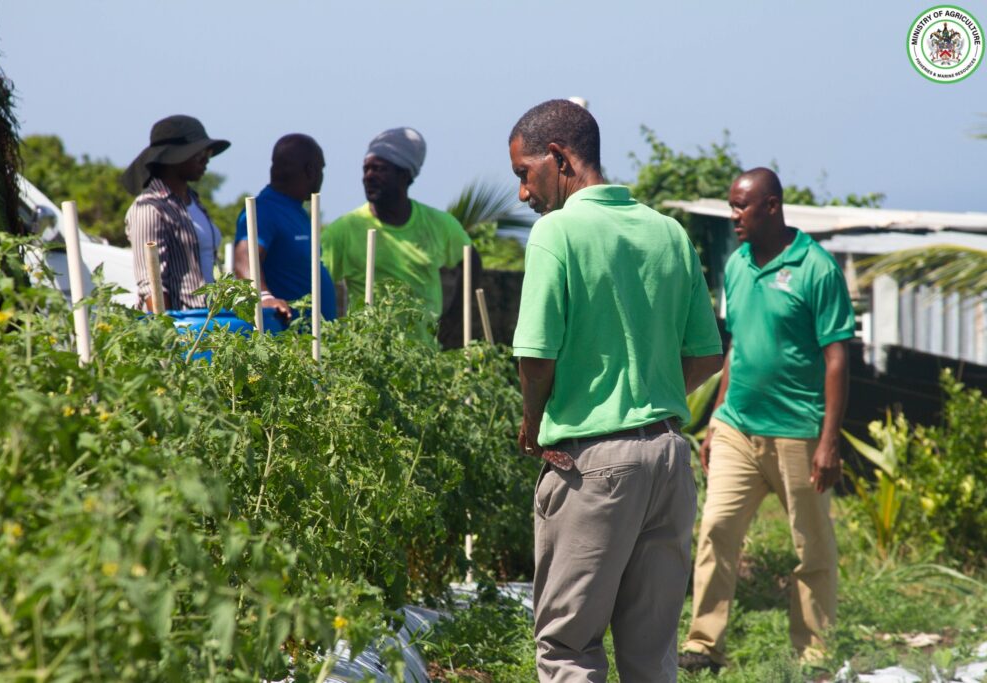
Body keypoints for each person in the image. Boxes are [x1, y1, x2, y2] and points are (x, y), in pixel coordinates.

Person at [509, 99, 723, 682]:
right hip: (667, 459)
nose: (523, 194)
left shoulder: (558, 232)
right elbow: (707, 353)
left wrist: (533, 421)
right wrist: (647, 399)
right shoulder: (668, 233)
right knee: (651, 653)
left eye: (524, 173)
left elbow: (535, 355)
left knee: (568, 646)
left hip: (594, 465)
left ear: (557, 158)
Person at [679, 168, 854, 673]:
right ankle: (703, 645)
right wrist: (715, 419)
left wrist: (829, 442)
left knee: (812, 546)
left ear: (772, 206)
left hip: (799, 434)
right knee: (715, 529)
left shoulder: (816, 268)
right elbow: (737, 347)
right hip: (737, 427)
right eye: (732, 205)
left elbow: (837, 357)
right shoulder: (735, 266)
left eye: (741, 206)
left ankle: (813, 652)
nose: (734, 216)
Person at [320, 127, 478, 337]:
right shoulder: (345, 230)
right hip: (366, 356)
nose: (369, 176)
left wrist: (454, 317)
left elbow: (471, 261)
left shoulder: (439, 224)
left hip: (422, 358)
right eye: (366, 169)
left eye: (379, 169)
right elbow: (317, 283)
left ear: (404, 175)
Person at [123, 114, 229, 311]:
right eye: (199, 153)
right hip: (184, 325)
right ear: (172, 157)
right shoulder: (150, 208)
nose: (206, 159)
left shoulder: (194, 202)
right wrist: (169, 335)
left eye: (208, 152)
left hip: (208, 321)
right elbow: (152, 284)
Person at [233, 134, 336, 322]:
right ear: (311, 171)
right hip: (290, 341)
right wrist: (264, 297)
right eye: (322, 169)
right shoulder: (264, 210)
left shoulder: (296, 210)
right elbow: (244, 256)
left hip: (316, 341)